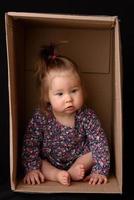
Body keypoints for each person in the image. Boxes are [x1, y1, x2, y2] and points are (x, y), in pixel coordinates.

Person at [22, 43, 110, 186]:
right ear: (46, 97)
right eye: (60, 94)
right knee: (39, 163)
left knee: (94, 153)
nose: (68, 98)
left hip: (79, 161)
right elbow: (30, 145)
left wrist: (99, 171)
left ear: (82, 88)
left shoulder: (87, 116)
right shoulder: (41, 117)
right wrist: (31, 169)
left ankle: (72, 172)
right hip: (51, 162)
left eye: (74, 91)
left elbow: (99, 143)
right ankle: (58, 175)